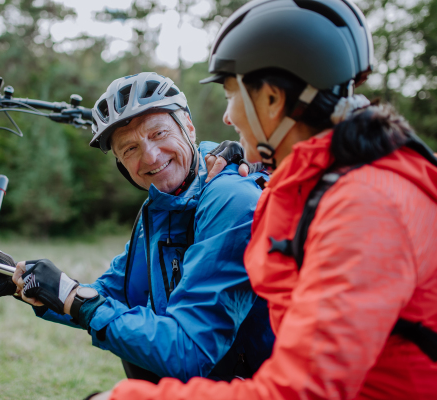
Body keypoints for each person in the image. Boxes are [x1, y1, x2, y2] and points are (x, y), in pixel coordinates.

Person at [91, 0, 437, 399]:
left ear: (271, 100)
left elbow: (301, 392)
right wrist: (270, 171)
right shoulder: (336, 180)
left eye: (231, 95)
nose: (227, 118)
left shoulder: (365, 208)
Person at [0, 72, 275, 383]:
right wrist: (18, 282)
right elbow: (109, 294)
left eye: (159, 133)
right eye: (130, 148)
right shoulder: (157, 211)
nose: (150, 156)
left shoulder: (229, 196)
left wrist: (73, 298)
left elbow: (190, 352)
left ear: (189, 127)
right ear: (122, 166)